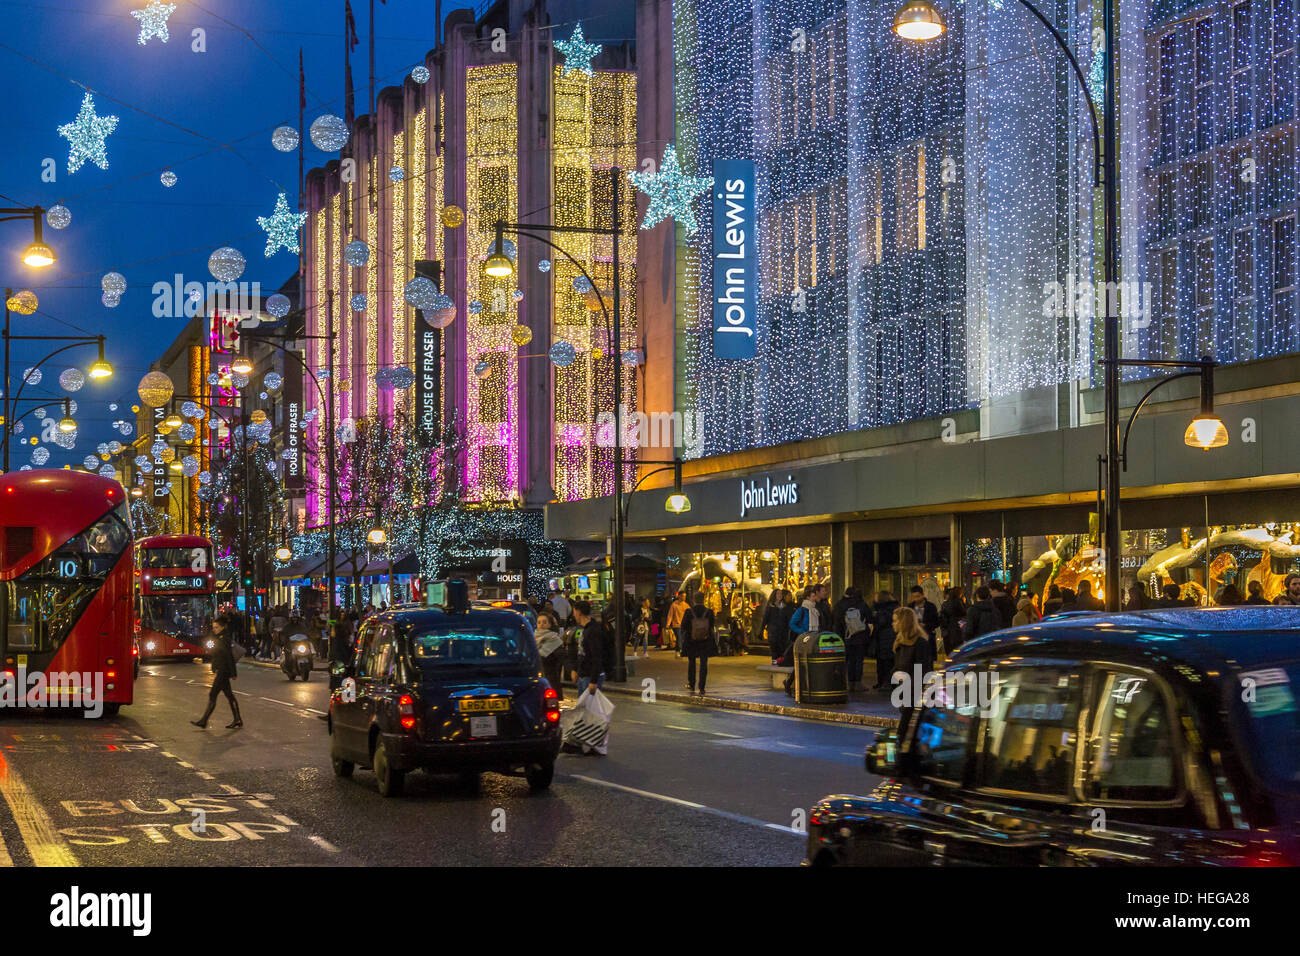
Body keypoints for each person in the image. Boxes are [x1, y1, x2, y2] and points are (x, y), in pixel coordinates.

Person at [191, 614, 242, 730]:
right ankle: (237, 719)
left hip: (224, 670)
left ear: (223, 627)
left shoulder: (224, 638)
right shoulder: (219, 637)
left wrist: (233, 673)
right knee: (229, 695)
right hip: (221, 669)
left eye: (216, 627)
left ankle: (204, 721)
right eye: (213, 627)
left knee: (213, 694)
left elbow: (228, 656)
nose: (214, 629)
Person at [891, 605, 934, 740]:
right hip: (903, 694)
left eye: (895, 620)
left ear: (903, 622)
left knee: (903, 735)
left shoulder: (920, 643)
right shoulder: (900, 642)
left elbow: (924, 671)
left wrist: (906, 679)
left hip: (915, 695)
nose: (893, 624)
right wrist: (895, 674)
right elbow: (897, 667)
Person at [833, 586, 870, 692]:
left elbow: (836, 621)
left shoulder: (840, 604)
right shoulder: (861, 604)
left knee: (849, 660)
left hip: (846, 637)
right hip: (860, 636)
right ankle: (858, 682)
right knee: (858, 660)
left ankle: (849, 683)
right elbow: (869, 617)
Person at [680, 594, 715, 695]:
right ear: (704, 600)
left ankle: (691, 684)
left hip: (692, 641)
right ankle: (702, 686)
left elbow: (684, 626)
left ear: (694, 600)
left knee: (692, 662)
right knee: (704, 663)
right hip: (705, 641)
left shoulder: (689, 612)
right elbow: (712, 625)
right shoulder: (709, 612)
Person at [868, 591, 900, 691]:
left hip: (886, 637)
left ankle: (887, 682)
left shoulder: (885, 610)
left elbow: (881, 622)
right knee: (883, 661)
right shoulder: (892, 607)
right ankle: (883, 682)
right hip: (884, 637)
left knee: (886, 661)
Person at [572, 600, 605, 695]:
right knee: (584, 708)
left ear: (579, 612)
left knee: (590, 708)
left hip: (590, 676)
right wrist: (576, 669)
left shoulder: (593, 630)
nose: (574, 615)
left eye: (574, 612)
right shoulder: (585, 629)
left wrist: (594, 681)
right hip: (584, 675)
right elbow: (581, 652)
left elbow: (596, 656)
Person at [535, 611, 565, 701]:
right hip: (536, 680)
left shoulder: (554, 639)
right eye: (539, 622)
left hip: (550, 680)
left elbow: (561, 657)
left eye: (544, 622)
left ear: (550, 624)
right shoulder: (532, 638)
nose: (541, 625)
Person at [907, 585, 940, 663]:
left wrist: (926, 625)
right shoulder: (910, 607)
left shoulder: (930, 607)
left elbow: (937, 622)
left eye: (918, 596)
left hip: (927, 636)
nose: (916, 599)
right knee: (917, 661)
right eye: (914, 597)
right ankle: (918, 675)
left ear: (922, 595)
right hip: (914, 638)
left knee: (928, 661)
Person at [763, 589, 791, 665]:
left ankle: (780, 664)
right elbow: (765, 619)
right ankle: (774, 664)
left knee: (782, 650)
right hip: (773, 632)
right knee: (774, 651)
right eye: (778, 594)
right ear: (774, 595)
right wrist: (762, 630)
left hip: (782, 632)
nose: (780, 595)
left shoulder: (785, 607)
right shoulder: (771, 606)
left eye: (781, 594)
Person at [939, 587, 967, 655]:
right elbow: (964, 613)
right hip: (957, 632)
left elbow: (941, 619)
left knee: (949, 654)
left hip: (947, 633)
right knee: (957, 654)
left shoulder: (945, 604)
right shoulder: (958, 602)